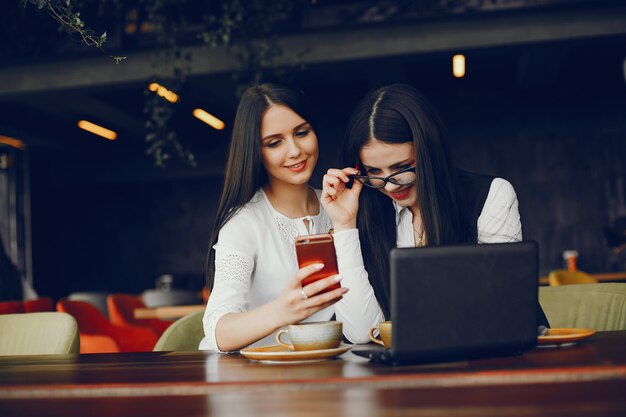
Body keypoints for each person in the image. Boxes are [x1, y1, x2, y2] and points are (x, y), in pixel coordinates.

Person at [321, 84, 548, 326]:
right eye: (374, 172)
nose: (390, 186)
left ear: (429, 152)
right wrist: (344, 226)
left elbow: (504, 307)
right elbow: (361, 331)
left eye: (402, 168)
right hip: (406, 363)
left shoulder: (489, 195)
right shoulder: (366, 208)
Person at [200, 83, 376, 352]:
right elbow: (216, 331)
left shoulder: (340, 206)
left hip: (328, 377)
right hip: (255, 381)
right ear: (256, 152)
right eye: (274, 143)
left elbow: (363, 332)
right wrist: (281, 311)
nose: (295, 150)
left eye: (302, 133)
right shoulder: (244, 223)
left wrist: (344, 226)